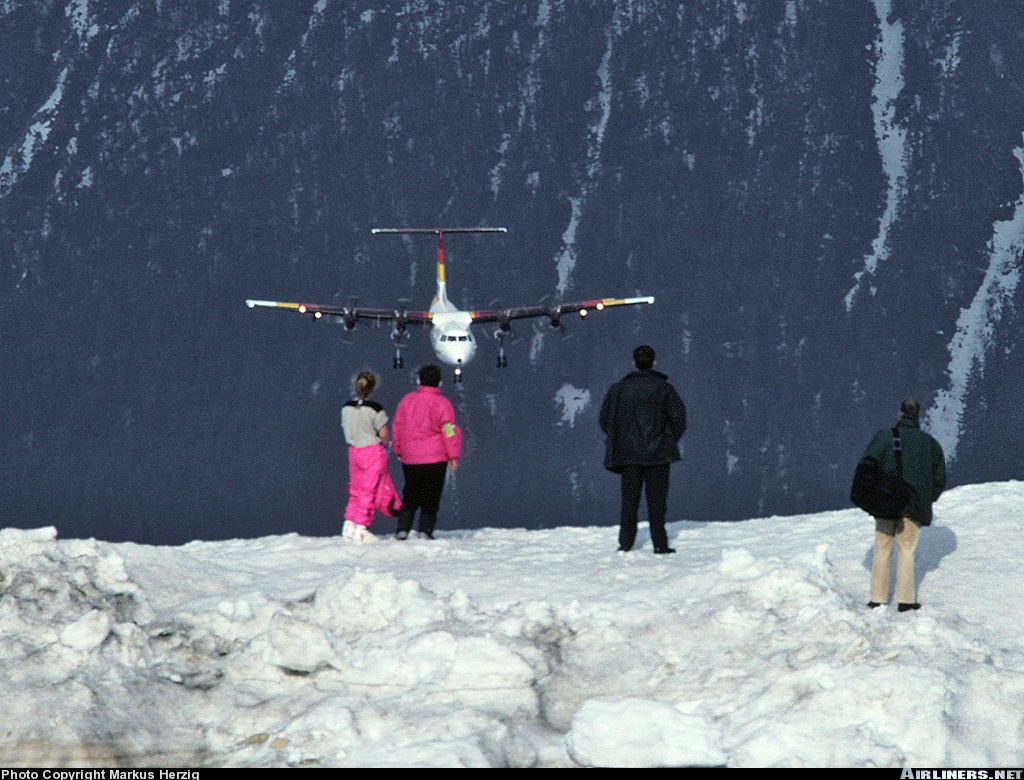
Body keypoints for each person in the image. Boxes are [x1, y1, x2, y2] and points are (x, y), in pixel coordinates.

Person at [860, 398, 946, 612]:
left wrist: (872, 495)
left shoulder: (884, 438)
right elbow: (939, 479)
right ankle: (906, 601)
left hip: (886, 503)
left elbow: (867, 466)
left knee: (882, 548)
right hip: (914, 505)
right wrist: (926, 497)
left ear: (899, 414)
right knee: (906, 550)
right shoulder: (930, 444)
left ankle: (877, 598)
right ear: (919, 416)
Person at [599, 345, 687, 554]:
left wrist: (621, 438)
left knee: (629, 501)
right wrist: (667, 439)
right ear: (654, 362)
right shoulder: (664, 388)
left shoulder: (618, 390)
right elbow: (678, 418)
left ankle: (626, 543)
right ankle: (660, 544)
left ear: (634, 363)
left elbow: (605, 421)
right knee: (657, 502)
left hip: (628, 455)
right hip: (658, 454)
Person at [390, 364, 462, 540]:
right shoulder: (442, 403)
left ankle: (403, 529)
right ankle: (425, 530)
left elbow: (397, 426)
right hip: (435, 458)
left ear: (419, 380)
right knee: (431, 495)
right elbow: (448, 430)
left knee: (410, 493)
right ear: (439, 382)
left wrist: (398, 449)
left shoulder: (407, 401)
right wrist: (453, 455)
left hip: (410, 457)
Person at [340, 371, 401, 542]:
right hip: (372, 451)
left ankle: (349, 524)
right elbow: (383, 432)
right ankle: (361, 527)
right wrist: (387, 444)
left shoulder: (346, 407)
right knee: (369, 489)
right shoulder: (375, 408)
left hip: (353, 450)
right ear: (372, 388)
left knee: (355, 489)